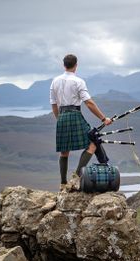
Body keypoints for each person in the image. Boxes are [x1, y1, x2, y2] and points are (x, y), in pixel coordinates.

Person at [50, 54, 112, 189]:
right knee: (93, 143)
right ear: (76, 65)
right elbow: (89, 103)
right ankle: (76, 177)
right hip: (75, 114)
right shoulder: (78, 81)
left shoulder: (54, 81)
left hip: (62, 116)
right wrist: (103, 118)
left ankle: (62, 183)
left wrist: (59, 119)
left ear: (64, 65)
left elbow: (54, 105)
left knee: (64, 151)